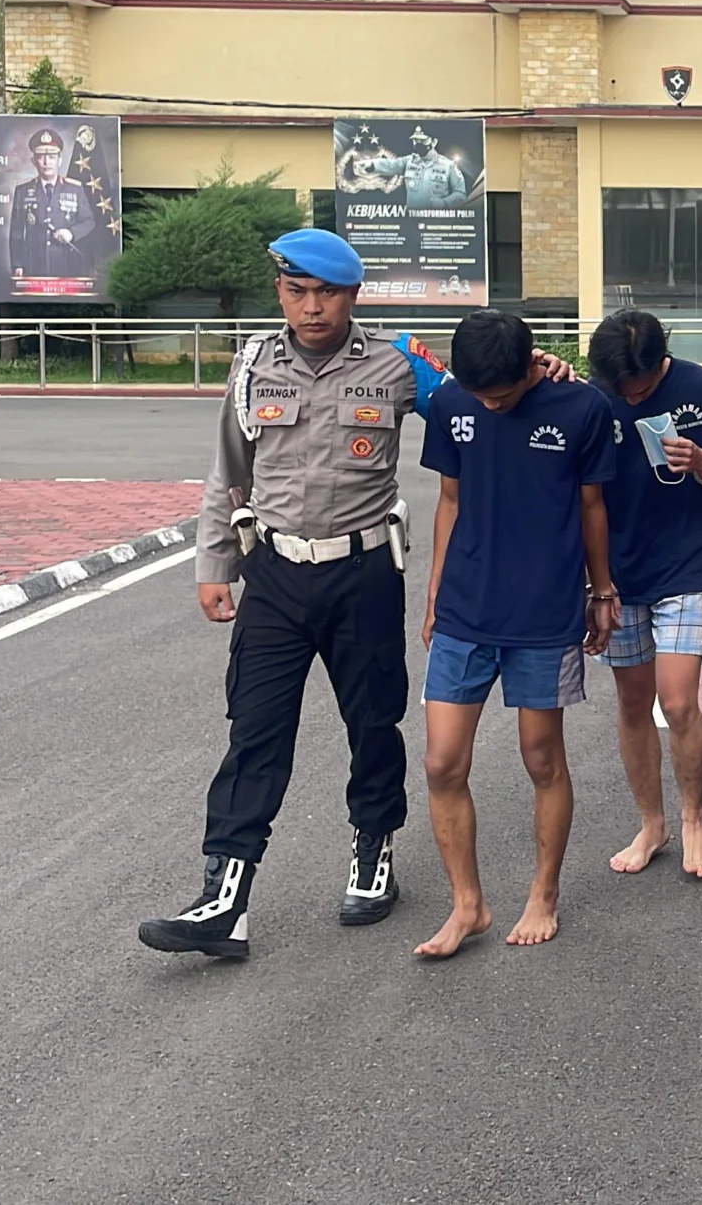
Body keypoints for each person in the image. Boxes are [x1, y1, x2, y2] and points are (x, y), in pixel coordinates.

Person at [138, 227, 452, 960]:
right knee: (255, 730)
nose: (313, 308)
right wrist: (213, 566)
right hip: (273, 572)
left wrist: (540, 374)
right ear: (280, 291)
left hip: (364, 571)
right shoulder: (252, 365)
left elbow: (478, 409)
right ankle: (225, 900)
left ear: (353, 294)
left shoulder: (397, 362)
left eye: (329, 293)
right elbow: (228, 470)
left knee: (374, 723)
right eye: (298, 291)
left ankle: (374, 852)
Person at [414, 309, 619, 953]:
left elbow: (592, 506)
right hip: (465, 610)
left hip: (544, 613)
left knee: (541, 757)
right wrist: (434, 592)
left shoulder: (581, 407)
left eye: (499, 394)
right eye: (479, 393)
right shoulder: (452, 402)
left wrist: (602, 589)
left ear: (532, 365)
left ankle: (543, 892)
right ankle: (467, 905)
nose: (489, 403)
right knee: (442, 762)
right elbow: (451, 499)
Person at [587, 309, 702, 879]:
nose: (630, 395)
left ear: (661, 361)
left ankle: (693, 818)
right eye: (620, 387)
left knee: (676, 702)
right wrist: (592, 582)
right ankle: (651, 823)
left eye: (642, 386)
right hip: (616, 574)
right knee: (632, 703)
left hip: (686, 561)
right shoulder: (593, 396)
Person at [7, 128, 108, 280]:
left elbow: (89, 221)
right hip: (34, 264)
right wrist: (17, 264)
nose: (47, 162)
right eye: (41, 156)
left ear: (59, 161)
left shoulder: (75, 188)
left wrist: (71, 233)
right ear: (33, 161)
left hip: (67, 263)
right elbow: (16, 232)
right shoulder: (23, 190)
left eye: (52, 157)